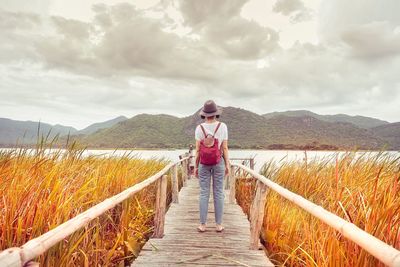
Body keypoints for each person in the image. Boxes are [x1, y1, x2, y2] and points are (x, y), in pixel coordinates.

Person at [194, 100, 230, 233]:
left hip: (203, 163)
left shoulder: (199, 128)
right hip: (218, 162)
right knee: (219, 193)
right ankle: (218, 225)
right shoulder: (223, 126)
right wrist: (227, 165)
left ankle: (202, 225)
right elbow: (224, 147)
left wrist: (196, 166)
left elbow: (197, 150)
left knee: (204, 193)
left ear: (204, 114)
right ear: (216, 114)